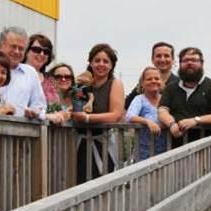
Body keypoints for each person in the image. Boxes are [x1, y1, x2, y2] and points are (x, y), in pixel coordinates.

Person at [72, 43, 125, 184]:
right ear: (90, 63)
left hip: (103, 143)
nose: (101, 64)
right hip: (79, 143)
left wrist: (87, 118)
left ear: (112, 65)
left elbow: (116, 114)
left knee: (103, 184)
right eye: (97, 60)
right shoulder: (82, 84)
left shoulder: (115, 83)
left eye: (106, 61)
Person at [158, 47, 211, 147]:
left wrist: (195, 121)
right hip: (175, 149)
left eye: (194, 60)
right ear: (180, 64)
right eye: (185, 60)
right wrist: (171, 124)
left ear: (202, 64)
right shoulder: (171, 88)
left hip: (206, 148)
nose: (189, 63)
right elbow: (162, 111)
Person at [0, 26, 46, 119]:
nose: (17, 51)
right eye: (13, 46)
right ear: (0, 46)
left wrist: (34, 112)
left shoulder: (30, 73)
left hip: (21, 130)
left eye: (21, 48)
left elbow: (40, 106)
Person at [126, 66, 167, 160]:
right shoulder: (139, 99)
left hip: (166, 151)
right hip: (144, 153)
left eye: (157, 78)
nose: (153, 81)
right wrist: (148, 122)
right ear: (142, 83)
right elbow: (129, 116)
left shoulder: (166, 99)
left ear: (161, 82)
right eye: (149, 79)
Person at [125, 41, 178, 109]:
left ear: (173, 59)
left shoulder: (179, 84)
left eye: (166, 56)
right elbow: (127, 105)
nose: (162, 59)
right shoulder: (144, 84)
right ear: (152, 59)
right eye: (158, 56)